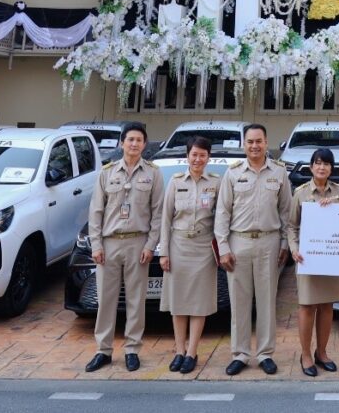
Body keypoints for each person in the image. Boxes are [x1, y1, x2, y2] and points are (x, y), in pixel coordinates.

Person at [84, 121, 165, 373]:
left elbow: (158, 213)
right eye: (130, 139)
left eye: (139, 140)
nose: (134, 144)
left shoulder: (153, 173)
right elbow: (95, 212)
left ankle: (132, 349)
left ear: (144, 144)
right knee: (106, 300)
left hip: (137, 243)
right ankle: (103, 350)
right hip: (109, 244)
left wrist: (151, 245)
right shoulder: (107, 173)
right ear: (122, 143)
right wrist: (96, 244)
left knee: (135, 300)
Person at [214, 123, 292, 376]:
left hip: (269, 243)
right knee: (240, 302)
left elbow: (286, 213)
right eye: (250, 142)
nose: (255, 146)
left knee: (268, 300)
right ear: (244, 144)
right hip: (239, 243)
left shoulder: (279, 173)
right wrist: (223, 247)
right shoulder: (233, 173)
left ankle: (266, 354)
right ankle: (240, 353)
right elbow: (222, 213)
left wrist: (283, 244)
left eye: (259, 141)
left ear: (266, 143)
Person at [159, 136, 221, 375]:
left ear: (208, 157)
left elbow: (221, 217)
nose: (197, 159)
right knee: (178, 302)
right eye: (194, 154)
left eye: (202, 155)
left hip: (204, 248)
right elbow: (165, 220)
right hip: (178, 246)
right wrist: (163, 252)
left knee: (198, 303)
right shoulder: (175, 182)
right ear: (187, 156)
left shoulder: (216, 182)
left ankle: (192, 351)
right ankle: (179, 350)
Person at [288, 148, 339, 377]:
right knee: (307, 306)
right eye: (318, 163)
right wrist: (294, 250)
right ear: (311, 167)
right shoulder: (300, 193)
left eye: (326, 164)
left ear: (332, 168)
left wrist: (335, 207)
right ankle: (305, 354)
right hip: (308, 258)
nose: (322, 167)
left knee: (327, 306)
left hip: (331, 258)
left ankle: (321, 352)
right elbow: (291, 226)